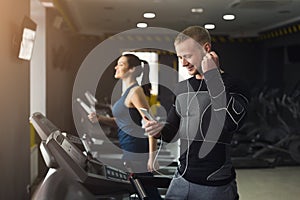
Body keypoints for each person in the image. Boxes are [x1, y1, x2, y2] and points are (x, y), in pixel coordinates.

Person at [145, 26, 249, 200]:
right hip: (181, 179)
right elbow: (170, 133)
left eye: (187, 56)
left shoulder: (234, 85)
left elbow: (229, 123)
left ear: (206, 49)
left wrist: (213, 77)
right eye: (179, 57)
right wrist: (158, 129)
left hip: (215, 184)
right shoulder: (182, 88)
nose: (183, 63)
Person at [88, 54, 161, 199]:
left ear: (132, 69)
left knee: (147, 192)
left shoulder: (135, 92)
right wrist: (101, 119)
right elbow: (123, 121)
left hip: (136, 149)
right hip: (129, 147)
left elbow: (150, 123)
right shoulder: (127, 92)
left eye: (121, 64)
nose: (116, 67)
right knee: (142, 191)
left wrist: (152, 157)